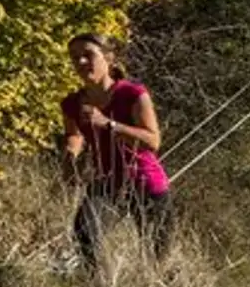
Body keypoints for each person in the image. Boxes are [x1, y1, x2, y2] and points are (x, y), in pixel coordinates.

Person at [59, 33, 173, 274]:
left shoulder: (132, 94)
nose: (80, 62)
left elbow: (152, 141)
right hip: (106, 181)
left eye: (88, 55)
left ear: (108, 58)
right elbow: (74, 134)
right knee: (85, 234)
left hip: (146, 182)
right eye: (75, 57)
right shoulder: (71, 103)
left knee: (155, 256)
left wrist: (109, 124)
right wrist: (70, 158)